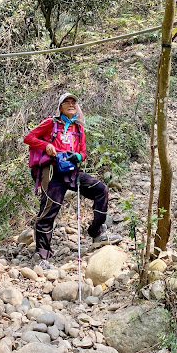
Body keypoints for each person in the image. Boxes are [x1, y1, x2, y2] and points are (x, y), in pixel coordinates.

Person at [24, 92, 121, 269]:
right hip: (53, 172)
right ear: (60, 107)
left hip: (71, 172)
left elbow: (83, 153)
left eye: (73, 102)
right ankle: (42, 255)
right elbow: (29, 138)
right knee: (49, 209)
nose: (71, 105)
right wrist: (46, 145)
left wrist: (76, 156)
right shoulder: (51, 123)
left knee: (101, 190)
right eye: (66, 102)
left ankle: (96, 232)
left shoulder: (78, 129)